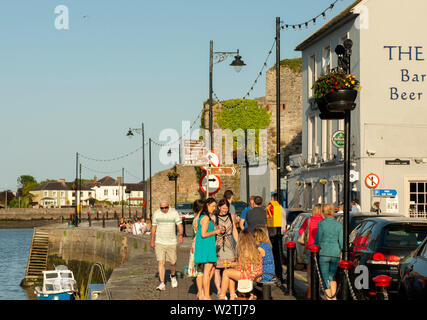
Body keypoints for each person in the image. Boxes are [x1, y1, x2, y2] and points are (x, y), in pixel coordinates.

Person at [217, 230, 263, 300]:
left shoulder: (245, 250)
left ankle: (222, 296)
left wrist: (233, 264)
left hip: (250, 275)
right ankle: (232, 295)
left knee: (226, 273)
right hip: (257, 275)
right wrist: (233, 264)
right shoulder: (254, 249)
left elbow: (242, 265)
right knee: (231, 274)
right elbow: (247, 264)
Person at [194, 197, 225, 300]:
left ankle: (203, 293)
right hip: (206, 245)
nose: (214, 208)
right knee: (206, 272)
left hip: (206, 245)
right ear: (207, 205)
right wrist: (216, 232)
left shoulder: (204, 216)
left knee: (208, 270)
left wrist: (217, 229)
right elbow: (203, 234)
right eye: (212, 206)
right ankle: (206, 295)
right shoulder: (206, 218)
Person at [150, 199, 184, 291]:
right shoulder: (156, 213)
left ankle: (173, 276)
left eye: (166, 207)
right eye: (162, 208)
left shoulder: (174, 213)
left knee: (173, 262)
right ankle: (162, 283)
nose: (164, 209)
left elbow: (180, 225)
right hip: (159, 242)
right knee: (161, 262)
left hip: (171, 242)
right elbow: (153, 227)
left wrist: (180, 235)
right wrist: (152, 240)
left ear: (169, 206)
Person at [314, 203, 343, 300]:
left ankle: (330, 298)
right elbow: (342, 241)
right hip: (335, 253)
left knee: (325, 277)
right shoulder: (339, 225)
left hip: (324, 253)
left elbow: (318, 239)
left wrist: (316, 245)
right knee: (331, 276)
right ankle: (333, 297)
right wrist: (342, 252)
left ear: (324, 212)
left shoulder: (321, 223)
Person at [212, 198, 239, 296]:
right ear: (219, 207)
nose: (225, 210)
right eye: (223, 208)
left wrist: (238, 242)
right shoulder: (214, 217)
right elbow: (211, 232)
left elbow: (234, 230)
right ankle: (219, 290)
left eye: (226, 208)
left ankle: (231, 290)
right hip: (218, 246)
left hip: (229, 246)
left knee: (231, 268)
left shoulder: (232, 216)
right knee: (217, 269)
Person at [298, 204, 324, 299]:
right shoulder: (323, 221)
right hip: (320, 248)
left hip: (310, 247)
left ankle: (310, 291)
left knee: (309, 272)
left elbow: (300, 231)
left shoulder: (309, 220)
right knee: (320, 271)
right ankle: (317, 291)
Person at [187, 199, 205, 300]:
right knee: (200, 271)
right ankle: (200, 291)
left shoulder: (196, 218)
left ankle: (200, 291)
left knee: (199, 270)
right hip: (200, 244)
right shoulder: (200, 218)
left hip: (195, 244)